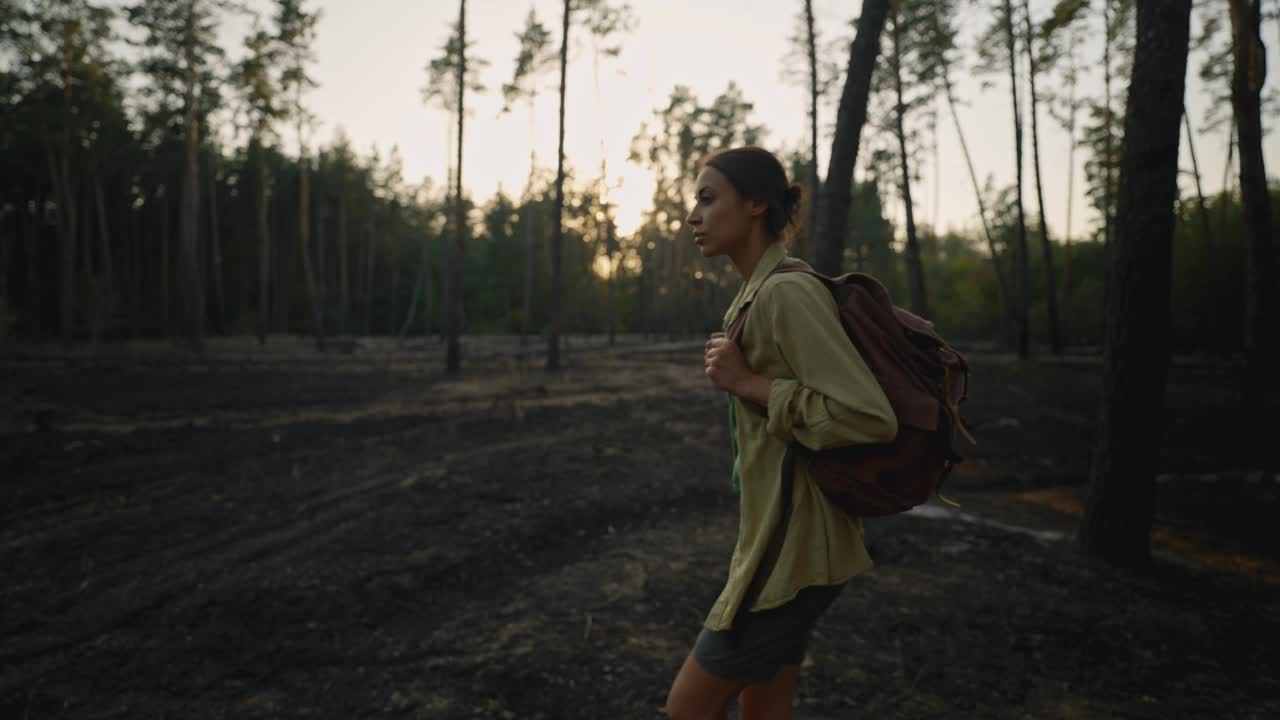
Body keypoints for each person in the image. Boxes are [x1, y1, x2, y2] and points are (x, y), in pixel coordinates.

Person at [664, 146, 898, 720]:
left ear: (755, 204)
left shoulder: (787, 293)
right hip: (779, 544)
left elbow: (870, 417)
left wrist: (749, 384)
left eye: (707, 198)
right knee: (765, 709)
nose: (693, 215)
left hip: (793, 555)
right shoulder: (752, 299)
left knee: (687, 709)